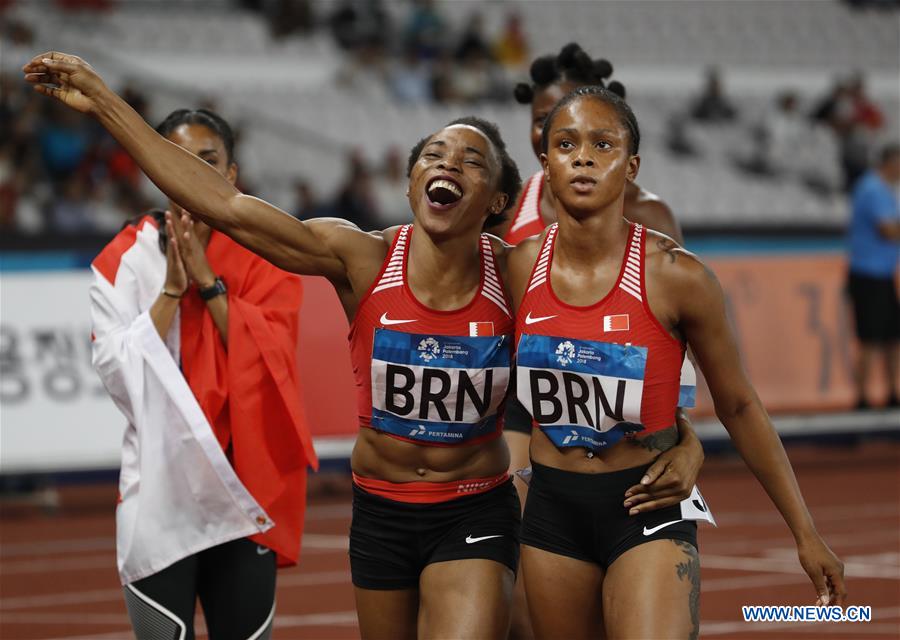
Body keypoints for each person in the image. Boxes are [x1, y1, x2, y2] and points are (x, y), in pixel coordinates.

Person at [25, 51, 705, 640]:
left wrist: (684, 436)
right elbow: (224, 205)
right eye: (433, 155)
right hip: (378, 511)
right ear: (412, 183)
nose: (448, 165)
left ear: (497, 200)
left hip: (475, 502)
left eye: (471, 161)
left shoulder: (518, 272)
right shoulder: (359, 257)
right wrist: (107, 104)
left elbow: (606, 345)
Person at [505, 85, 846, 639]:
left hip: (648, 505)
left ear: (631, 165)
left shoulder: (677, 276)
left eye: (603, 144)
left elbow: (738, 404)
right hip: (551, 513)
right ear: (546, 162)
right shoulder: (516, 270)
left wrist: (804, 532)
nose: (583, 157)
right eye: (566, 144)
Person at [88, 107, 317, 639]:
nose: (190, 173)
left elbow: (271, 372)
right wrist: (171, 290)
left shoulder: (267, 251)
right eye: (174, 159)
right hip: (158, 492)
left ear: (232, 174)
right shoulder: (122, 260)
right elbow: (119, 377)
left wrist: (209, 281)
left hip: (244, 489)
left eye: (207, 161)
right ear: (153, 166)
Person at [499, 44, 702, 639]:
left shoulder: (645, 215)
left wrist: (686, 438)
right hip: (530, 403)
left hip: (631, 405)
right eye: (544, 121)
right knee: (514, 573)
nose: (551, 132)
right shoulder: (509, 209)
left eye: (595, 136)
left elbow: (672, 346)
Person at [846, 143, 900, 409]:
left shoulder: (887, 191)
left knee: (892, 337)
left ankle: (892, 393)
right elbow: (887, 231)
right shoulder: (872, 188)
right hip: (868, 273)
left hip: (883, 273)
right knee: (869, 338)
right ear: (890, 161)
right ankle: (862, 397)